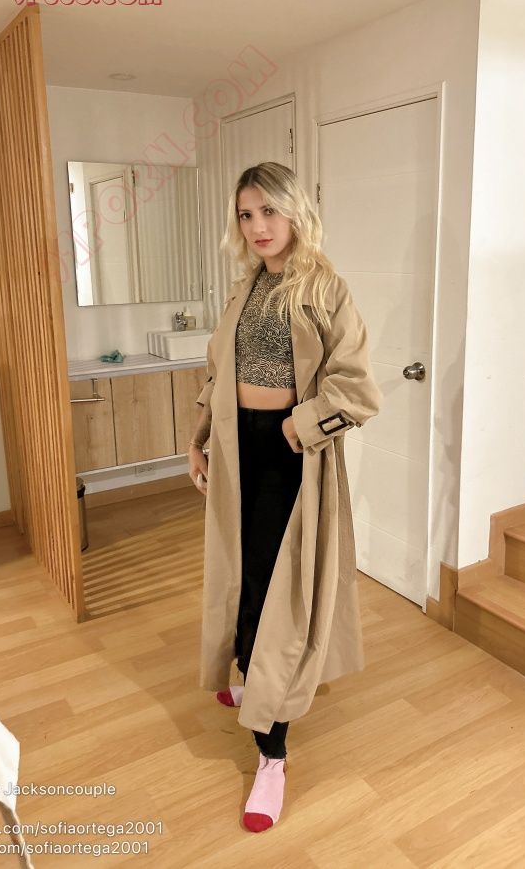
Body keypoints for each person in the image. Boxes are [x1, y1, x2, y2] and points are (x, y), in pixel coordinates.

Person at [187, 162, 381, 833]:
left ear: (296, 211)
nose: (258, 226)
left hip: (289, 454)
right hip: (235, 449)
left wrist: (302, 427)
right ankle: (250, 672)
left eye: (269, 210)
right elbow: (218, 373)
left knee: (277, 588)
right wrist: (199, 438)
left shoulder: (324, 289)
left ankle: (272, 754)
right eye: (247, 214)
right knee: (240, 573)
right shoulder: (245, 289)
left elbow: (358, 389)